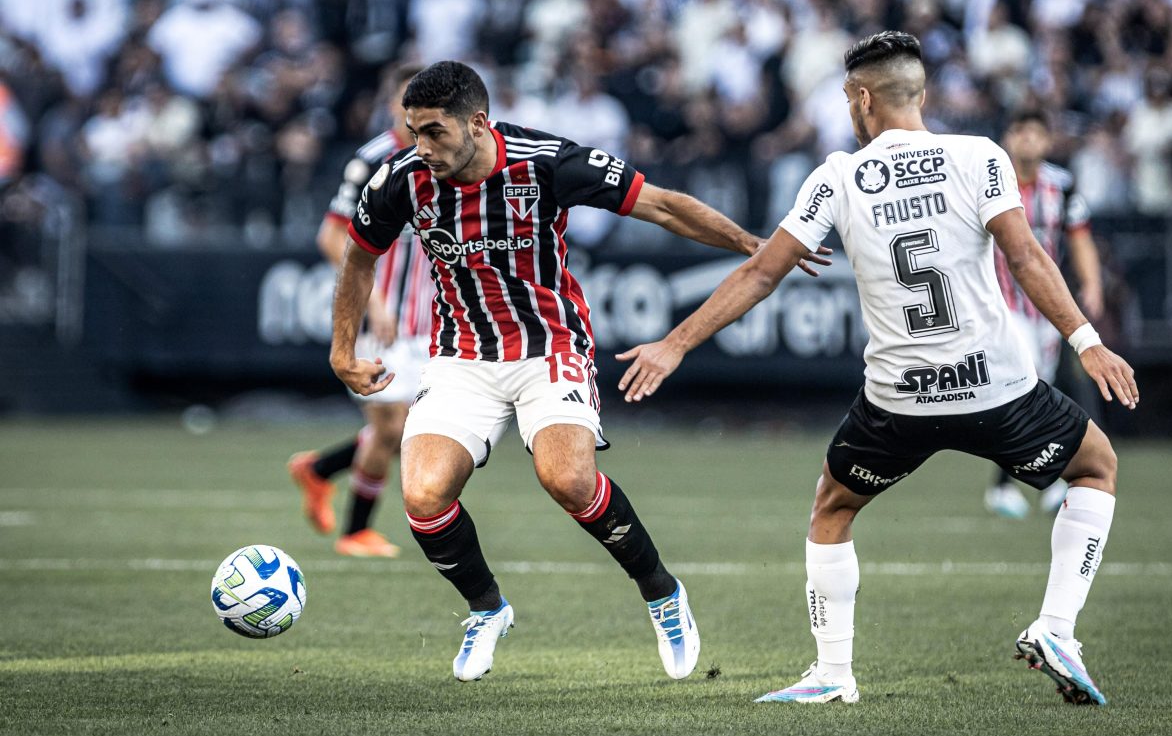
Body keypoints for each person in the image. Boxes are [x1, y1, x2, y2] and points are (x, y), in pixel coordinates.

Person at [618, 32, 1137, 706]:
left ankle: (833, 672)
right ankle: (1057, 628)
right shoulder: (980, 156)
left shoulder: (838, 176)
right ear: (918, 94)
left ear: (864, 98)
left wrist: (676, 343)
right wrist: (1086, 340)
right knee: (1095, 466)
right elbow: (1028, 258)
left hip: (900, 400)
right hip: (998, 385)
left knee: (833, 508)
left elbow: (759, 272)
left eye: (846, 98)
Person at [329, 60, 831, 682]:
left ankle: (662, 593)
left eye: (434, 132)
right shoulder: (401, 179)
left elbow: (664, 207)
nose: (421, 146)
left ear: (478, 123)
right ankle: (487, 609)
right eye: (413, 130)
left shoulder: (546, 162)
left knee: (565, 477)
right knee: (424, 495)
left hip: (550, 347)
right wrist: (341, 349)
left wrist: (752, 244)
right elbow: (357, 256)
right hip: (462, 354)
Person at [289, 64, 434, 557]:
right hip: (383, 318)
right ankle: (355, 531)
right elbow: (331, 237)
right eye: (403, 101)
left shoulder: (450, 158)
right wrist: (373, 302)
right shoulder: (373, 160)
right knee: (392, 427)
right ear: (392, 104)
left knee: (410, 431)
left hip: (433, 321)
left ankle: (319, 470)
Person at [985, 109, 1105, 519]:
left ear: (1047, 141)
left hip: (1047, 307)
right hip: (1001, 302)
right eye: (1021, 132)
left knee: (1040, 388)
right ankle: (1019, 484)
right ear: (1009, 136)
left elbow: (1080, 239)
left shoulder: (1062, 187)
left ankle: (1033, 481)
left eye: (1037, 134)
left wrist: (1092, 284)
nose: (1029, 142)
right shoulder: (988, 177)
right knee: (1025, 384)